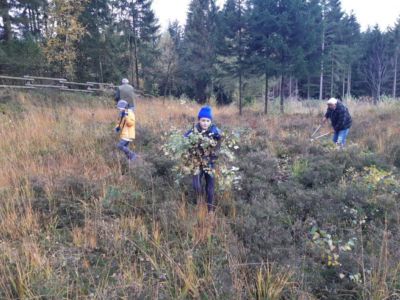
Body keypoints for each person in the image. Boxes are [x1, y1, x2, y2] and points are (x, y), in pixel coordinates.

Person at [184, 106, 222, 212]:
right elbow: (184, 139)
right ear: (199, 120)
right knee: (196, 185)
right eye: (203, 120)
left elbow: (220, 143)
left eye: (207, 121)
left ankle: (210, 210)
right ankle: (200, 204)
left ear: (211, 121)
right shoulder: (194, 130)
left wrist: (217, 138)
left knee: (210, 188)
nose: (205, 123)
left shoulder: (215, 131)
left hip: (210, 163)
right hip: (197, 162)